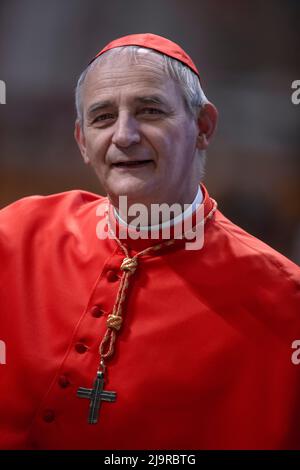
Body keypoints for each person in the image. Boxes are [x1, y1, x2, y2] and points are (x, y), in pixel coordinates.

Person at [0, 33, 299, 450]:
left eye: (150, 111)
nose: (124, 135)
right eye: (102, 117)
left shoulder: (284, 300)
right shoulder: (16, 236)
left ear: (203, 127)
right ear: (83, 142)